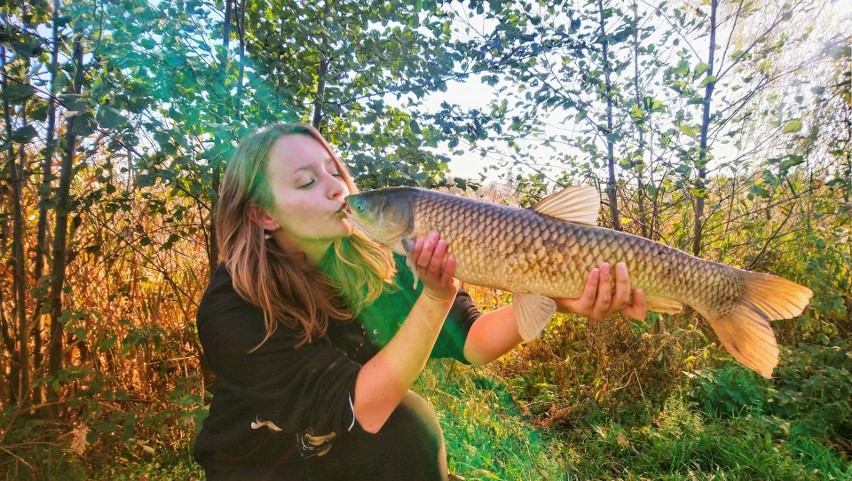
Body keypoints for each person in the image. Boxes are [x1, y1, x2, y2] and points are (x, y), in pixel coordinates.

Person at [193, 122, 647, 481]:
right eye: (307, 181)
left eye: (336, 171)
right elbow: (363, 406)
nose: (337, 188)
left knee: (410, 426)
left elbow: (472, 340)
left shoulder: (382, 256)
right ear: (263, 214)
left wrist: (558, 297)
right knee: (402, 417)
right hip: (265, 462)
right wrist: (435, 296)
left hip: (350, 443)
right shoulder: (232, 306)